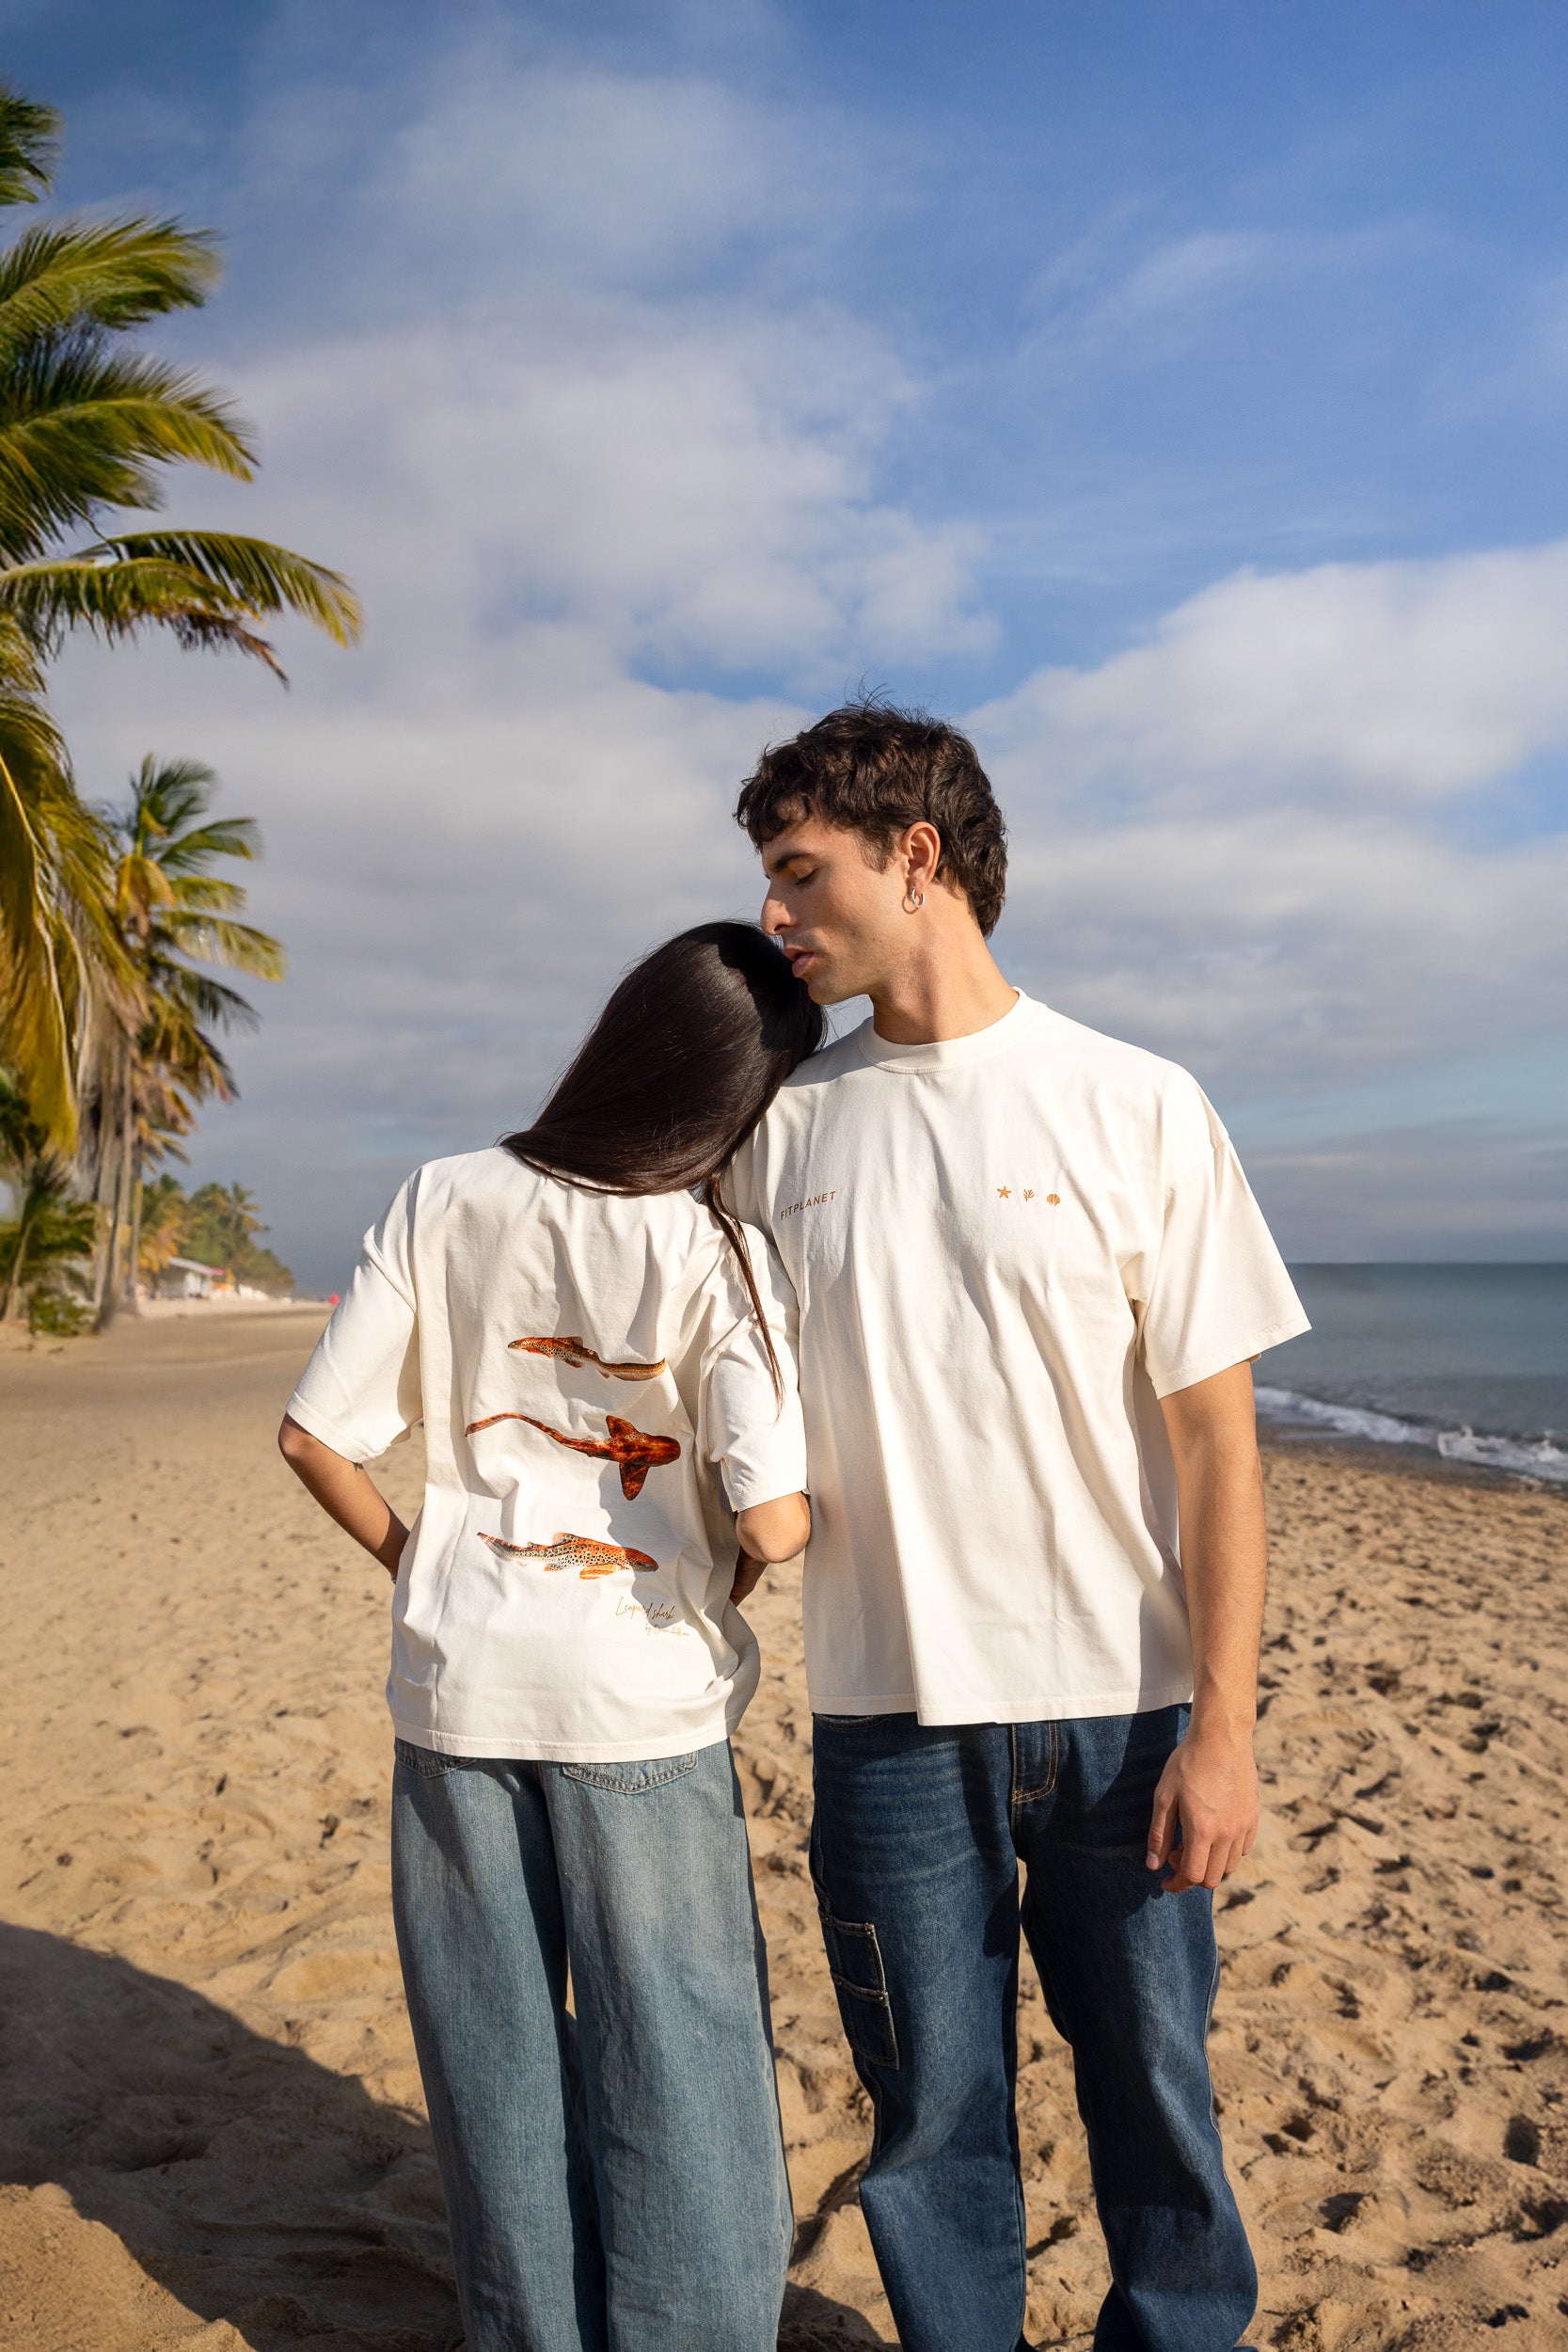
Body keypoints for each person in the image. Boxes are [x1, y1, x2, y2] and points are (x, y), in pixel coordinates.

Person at [726, 703, 1310, 2352]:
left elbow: (1219, 1452)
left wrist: (1227, 1730)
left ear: (917, 856)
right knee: (928, 2138)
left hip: (1125, 1718)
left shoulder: (1137, 1102)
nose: (777, 916)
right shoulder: (784, 1132)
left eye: (798, 871)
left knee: (1160, 2119)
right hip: (888, 1721)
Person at [277, 922, 821, 2352]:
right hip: (637, 1705)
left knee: (496, 2063)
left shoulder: (443, 1192)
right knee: (682, 2066)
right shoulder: (716, 1247)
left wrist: (421, 1563)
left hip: (457, 1685)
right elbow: (774, 1524)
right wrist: (720, 1578)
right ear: (733, 1098)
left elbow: (316, 1436)